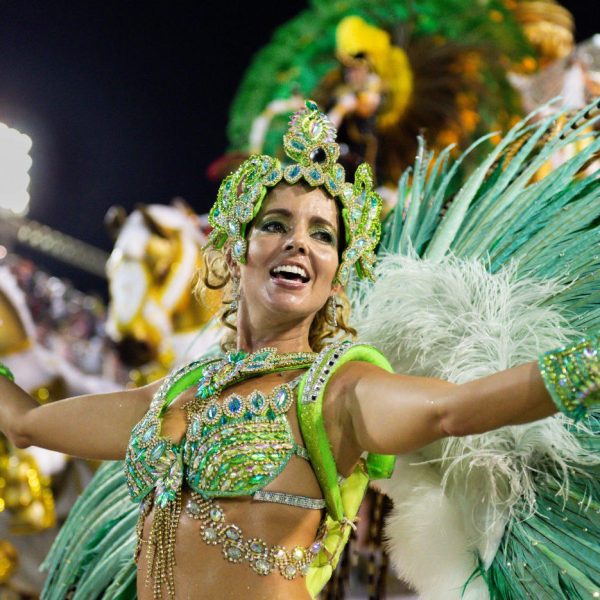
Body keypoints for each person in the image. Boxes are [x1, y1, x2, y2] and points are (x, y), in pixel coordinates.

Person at [0, 101, 598, 600]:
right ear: (236, 251)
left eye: (322, 234)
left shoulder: (336, 391)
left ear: (336, 276)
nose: (299, 244)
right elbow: (25, 422)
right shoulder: (176, 395)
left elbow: (452, 411)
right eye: (275, 224)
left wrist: (587, 366)